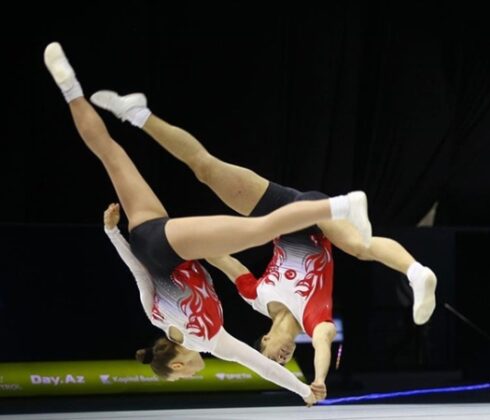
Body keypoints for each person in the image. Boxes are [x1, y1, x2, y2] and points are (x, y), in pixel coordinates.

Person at [44, 41, 373, 405]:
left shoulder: (210, 338)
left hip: (173, 246)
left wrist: (302, 392)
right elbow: (137, 271)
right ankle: (69, 87)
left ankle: (341, 206)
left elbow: (261, 368)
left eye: (174, 380)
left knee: (261, 228)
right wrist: (111, 233)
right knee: (111, 154)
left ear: (179, 367)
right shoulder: (155, 320)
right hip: (145, 236)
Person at [88, 88, 438, 400]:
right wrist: (316, 380)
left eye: (274, 356)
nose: (282, 357)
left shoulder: (256, 297)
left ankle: (137, 114)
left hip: (282, 210)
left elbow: (222, 260)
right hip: (316, 222)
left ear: (265, 340)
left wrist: (174, 245)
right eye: (283, 360)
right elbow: (322, 345)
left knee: (206, 168)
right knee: (358, 246)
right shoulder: (316, 320)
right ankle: (416, 270)